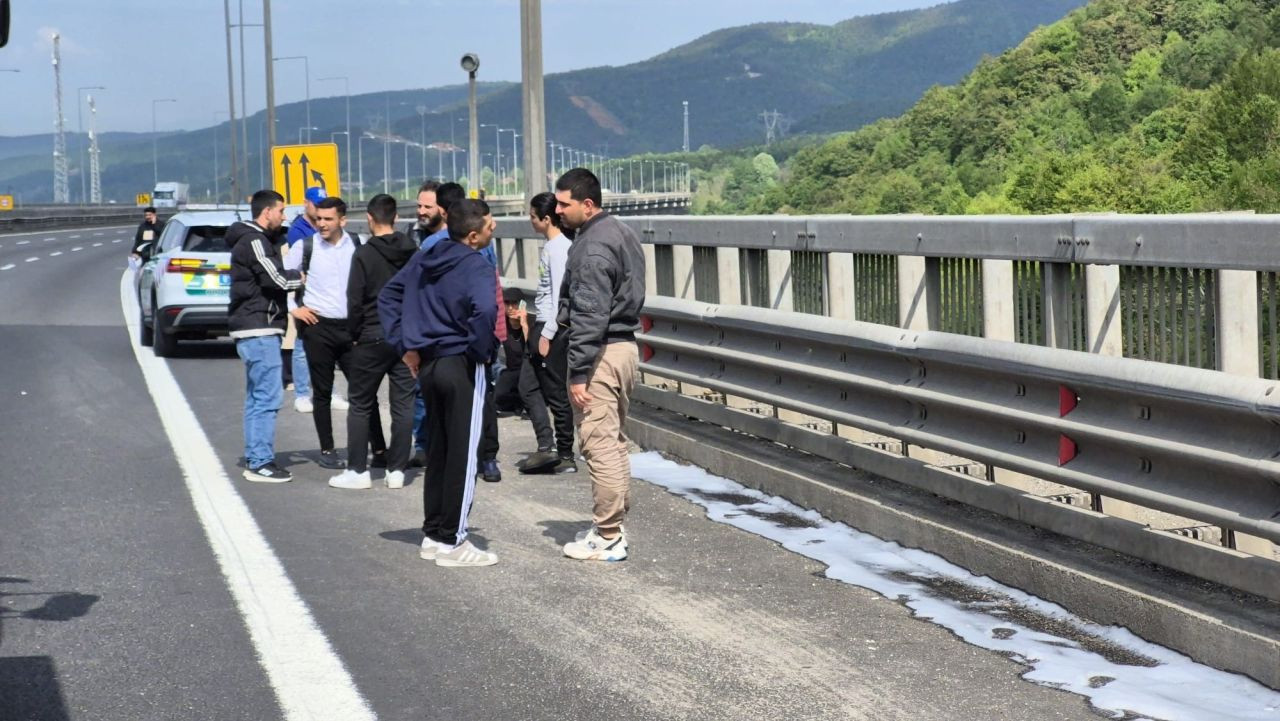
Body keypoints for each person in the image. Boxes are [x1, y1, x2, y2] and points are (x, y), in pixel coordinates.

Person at [379, 198, 499, 568]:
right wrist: (481, 352)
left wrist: (405, 347)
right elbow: (486, 311)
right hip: (460, 361)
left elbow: (388, 296)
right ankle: (453, 540)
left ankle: (434, 533)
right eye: (491, 226)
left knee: (441, 451)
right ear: (475, 235)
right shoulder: (476, 265)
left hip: (428, 364)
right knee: (464, 455)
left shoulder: (426, 256)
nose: (495, 230)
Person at [554, 168, 645, 562]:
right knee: (614, 439)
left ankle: (607, 535)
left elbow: (589, 315)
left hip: (601, 355)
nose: (557, 211)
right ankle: (613, 525)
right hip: (623, 348)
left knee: (598, 444)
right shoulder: (620, 231)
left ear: (587, 205)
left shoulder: (591, 248)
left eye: (564, 204)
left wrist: (577, 372)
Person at [285, 196, 382, 471]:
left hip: (352, 329)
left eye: (328, 219)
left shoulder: (359, 243)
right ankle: (327, 449)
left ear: (342, 220)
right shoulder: (304, 247)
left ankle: (379, 447)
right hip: (319, 328)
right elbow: (283, 281)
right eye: (318, 219)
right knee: (323, 392)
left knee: (364, 391)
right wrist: (295, 309)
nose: (322, 224)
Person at [329, 194, 418, 490]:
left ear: (369, 218)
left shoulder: (364, 254)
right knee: (403, 405)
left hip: (371, 334)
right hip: (406, 337)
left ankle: (357, 471)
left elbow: (354, 299)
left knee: (361, 403)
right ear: (396, 218)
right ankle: (397, 471)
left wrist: (353, 335)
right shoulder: (413, 251)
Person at [227, 189, 303, 483]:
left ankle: (255, 455)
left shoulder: (254, 239)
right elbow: (278, 278)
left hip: (256, 325)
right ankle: (260, 462)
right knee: (268, 396)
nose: (284, 217)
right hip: (258, 326)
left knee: (257, 396)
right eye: (281, 211)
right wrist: (302, 277)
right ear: (267, 211)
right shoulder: (254, 241)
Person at [409, 181, 467, 468]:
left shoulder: (431, 245)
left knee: (428, 392)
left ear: (443, 211)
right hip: (460, 335)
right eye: (418, 205)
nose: (420, 211)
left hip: (440, 336)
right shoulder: (420, 238)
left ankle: (428, 447)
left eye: (427, 207)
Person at [520, 191, 577, 474]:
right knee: (527, 386)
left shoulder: (559, 249)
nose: (529, 221)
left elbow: (559, 297)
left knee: (555, 393)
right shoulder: (551, 246)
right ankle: (547, 447)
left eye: (532, 216)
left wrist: (547, 334)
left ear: (546, 218)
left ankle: (565, 454)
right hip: (542, 325)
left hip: (550, 329)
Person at [495, 287, 554, 458]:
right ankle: (518, 403)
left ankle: (528, 405)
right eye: (507, 304)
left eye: (515, 303)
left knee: (528, 387)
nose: (511, 308)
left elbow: (533, 351)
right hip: (513, 370)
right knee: (498, 396)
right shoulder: (502, 325)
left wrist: (524, 327)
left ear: (522, 304)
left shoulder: (532, 322)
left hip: (531, 368)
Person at [409, 180, 444, 246]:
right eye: (419, 206)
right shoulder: (409, 233)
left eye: (427, 207)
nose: (421, 212)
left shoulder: (456, 236)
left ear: (442, 208)